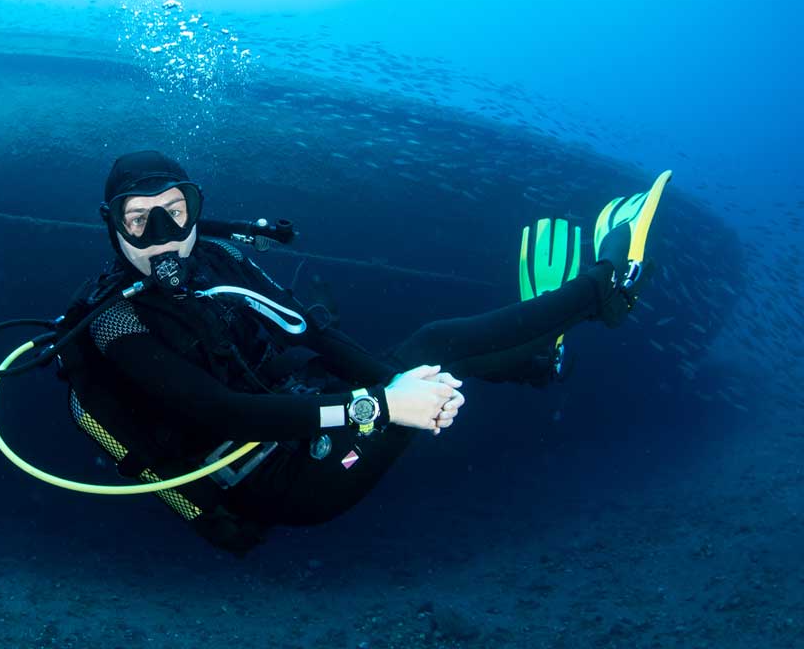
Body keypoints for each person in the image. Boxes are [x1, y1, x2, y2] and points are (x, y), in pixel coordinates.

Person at [67, 149, 669, 553]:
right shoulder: (114, 322)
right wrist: (381, 406)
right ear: (111, 226)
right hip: (278, 484)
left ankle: (537, 362)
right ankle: (603, 289)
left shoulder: (217, 260)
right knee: (431, 344)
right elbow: (220, 412)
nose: (166, 238)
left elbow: (312, 334)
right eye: (140, 221)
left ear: (197, 210)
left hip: (293, 424)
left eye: (176, 213)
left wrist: (401, 389)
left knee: (424, 358)